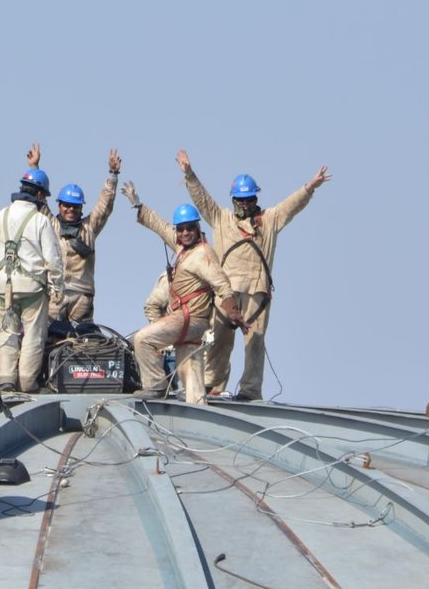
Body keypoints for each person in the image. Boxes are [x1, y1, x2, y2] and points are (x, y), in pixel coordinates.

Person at [178, 151, 332, 400]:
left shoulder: (269, 220)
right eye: (241, 200)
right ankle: (212, 385)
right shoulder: (222, 218)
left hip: (257, 294)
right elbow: (202, 199)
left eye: (249, 199)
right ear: (234, 200)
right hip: (226, 294)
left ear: (255, 198)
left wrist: (310, 187)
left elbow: (291, 205)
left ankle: (250, 390)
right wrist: (189, 174)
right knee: (219, 341)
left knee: (255, 343)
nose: (246, 204)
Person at [119, 189, 241, 403]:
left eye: (190, 228)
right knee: (193, 383)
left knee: (143, 339)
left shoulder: (203, 254)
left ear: (197, 228)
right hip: (190, 324)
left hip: (190, 319)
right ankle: (198, 406)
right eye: (181, 229)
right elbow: (162, 227)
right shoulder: (183, 248)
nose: (185, 233)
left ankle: (156, 386)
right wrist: (139, 207)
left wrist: (233, 312)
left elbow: (221, 283)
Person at [0, 165, 64, 393]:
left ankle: (5, 380)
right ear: (40, 194)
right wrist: (57, 287)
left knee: (6, 333)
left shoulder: (0, 216)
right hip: (32, 290)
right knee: (33, 336)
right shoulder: (40, 221)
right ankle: (27, 382)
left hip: (3, 288)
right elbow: (53, 260)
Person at [25, 144, 121, 323]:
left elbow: (105, 205)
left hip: (82, 297)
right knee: (49, 336)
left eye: (75, 206)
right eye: (67, 205)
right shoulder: (51, 225)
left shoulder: (89, 228)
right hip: (55, 294)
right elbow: (38, 199)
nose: (71, 209)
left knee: (82, 338)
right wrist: (34, 168)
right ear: (59, 205)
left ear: (81, 208)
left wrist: (113, 175)